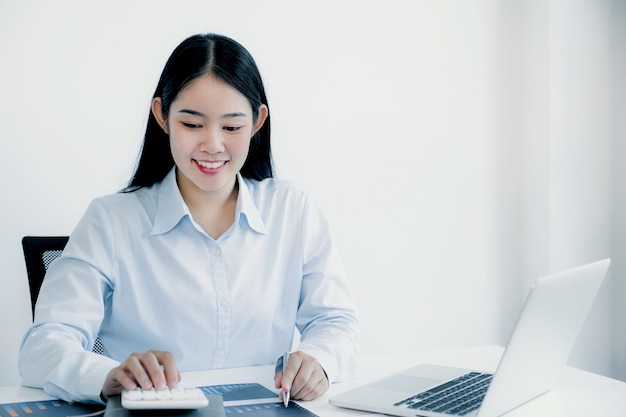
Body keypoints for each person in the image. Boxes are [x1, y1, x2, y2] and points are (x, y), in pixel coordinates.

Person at [18, 33, 359, 405]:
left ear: (258, 121)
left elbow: (336, 322)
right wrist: (108, 375)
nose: (212, 144)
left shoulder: (293, 210)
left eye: (231, 127)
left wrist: (320, 363)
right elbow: (43, 346)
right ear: (162, 115)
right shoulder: (111, 221)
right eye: (192, 124)